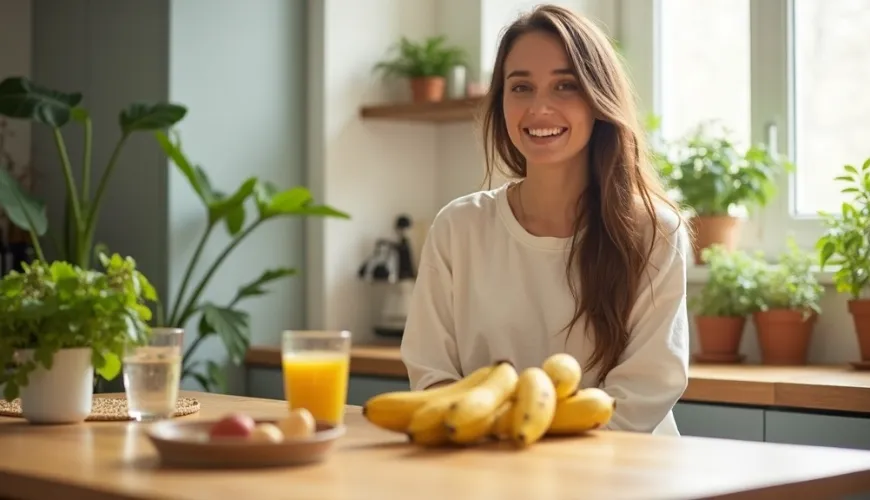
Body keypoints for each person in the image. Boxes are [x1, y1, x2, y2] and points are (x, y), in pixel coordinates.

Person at [399, 4, 691, 436]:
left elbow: (645, 391)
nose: (539, 108)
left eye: (565, 86)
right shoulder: (458, 228)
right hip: (489, 471)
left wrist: (537, 456)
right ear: (501, 101)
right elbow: (432, 375)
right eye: (521, 87)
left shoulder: (654, 232)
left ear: (598, 100)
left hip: (625, 478)